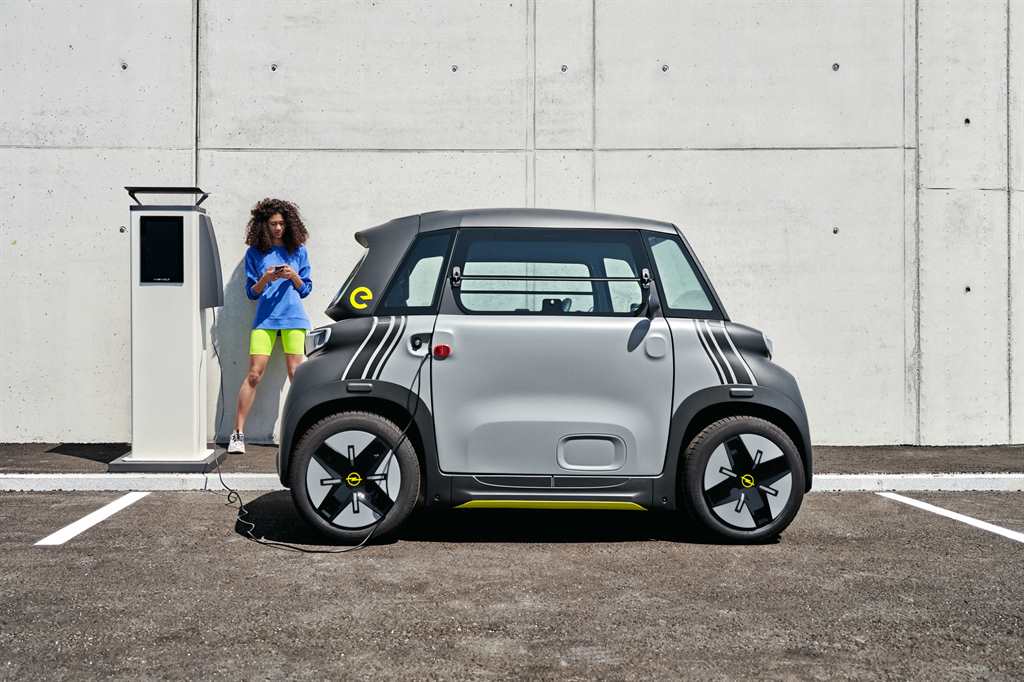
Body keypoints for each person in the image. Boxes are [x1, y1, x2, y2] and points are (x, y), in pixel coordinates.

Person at [227, 198, 313, 454]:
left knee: (296, 374)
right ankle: (237, 433)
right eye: (273, 223)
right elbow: (251, 293)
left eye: (282, 224)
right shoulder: (255, 253)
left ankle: (304, 431)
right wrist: (265, 278)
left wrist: (293, 275)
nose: (278, 228)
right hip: (265, 320)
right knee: (254, 374)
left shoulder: (299, 251)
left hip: (293, 319)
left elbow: (305, 289)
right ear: (264, 225)